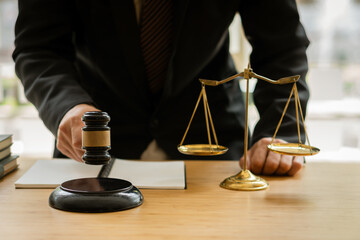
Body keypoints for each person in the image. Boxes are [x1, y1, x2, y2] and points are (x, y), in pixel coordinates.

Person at [13, 0, 310, 176]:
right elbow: (39, 48)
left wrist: (279, 131)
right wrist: (67, 106)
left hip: (212, 148)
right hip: (92, 151)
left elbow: (282, 48)